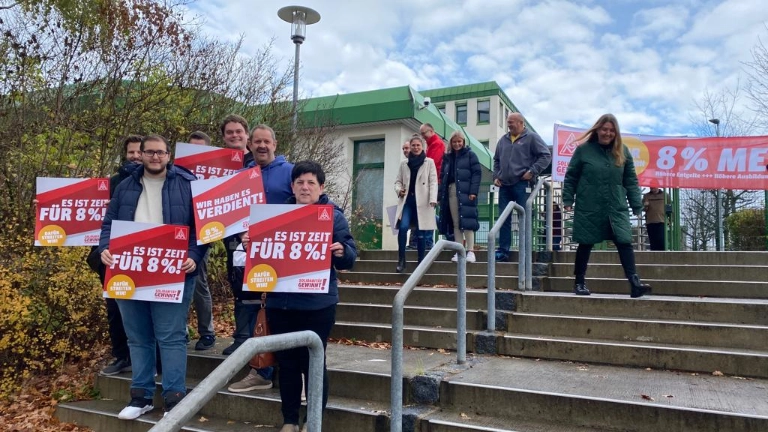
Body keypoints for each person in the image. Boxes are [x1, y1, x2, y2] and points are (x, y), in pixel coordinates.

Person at [99, 134, 207, 419]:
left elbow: (203, 228)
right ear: (141, 155)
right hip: (129, 269)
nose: (155, 157)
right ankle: (141, 397)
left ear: (168, 155)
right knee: (138, 337)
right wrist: (104, 250)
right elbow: (108, 224)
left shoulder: (187, 185)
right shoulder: (124, 186)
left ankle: (174, 399)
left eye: (160, 152)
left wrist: (194, 257)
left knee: (171, 337)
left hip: (173, 271)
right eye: (150, 152)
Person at [246, 160, 356, 432]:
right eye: (299, 182)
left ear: (321, 187)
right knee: (287, 364)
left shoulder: (333, 217)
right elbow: (260, 260)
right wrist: (251, 245)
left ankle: (313, 420)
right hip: (280, 304)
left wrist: (342, 251)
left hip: (317, 305)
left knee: (314, 363)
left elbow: (350, 258)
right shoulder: (272, 217)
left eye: (310, 183)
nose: (305, 187)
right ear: (292, 186)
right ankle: (290, 420)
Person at [226, 124, 294, 392]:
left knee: (285, 311)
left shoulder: (291, 172)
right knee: (257, 311)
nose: (262, 146)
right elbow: (230, 215)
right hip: (249, 254)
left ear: (275, 144)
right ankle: (261, 371)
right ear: (250, 145)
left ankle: (292, 372)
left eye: (267, 141)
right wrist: (239, 233)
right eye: (257, 142)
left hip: (285, 254)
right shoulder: (241, 176)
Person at [562, 114, 651, 298]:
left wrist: (636, 203)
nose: (607, 133)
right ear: (597, 129)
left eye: (611, 130)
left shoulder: (623, 151)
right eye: (604, 129)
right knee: (585, 243)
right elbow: (571, 177)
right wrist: (568, 200)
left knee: (624, 242)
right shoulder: (584, 151)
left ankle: (634, 283)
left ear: (616, 133)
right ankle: (579, 283)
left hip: (615, 205)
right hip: (589, 204)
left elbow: (631, 181)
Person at [97, 134, 142, 375]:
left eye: (139, 152)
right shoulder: (112, 183)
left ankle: (151, 358)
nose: (135, 156)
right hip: (115, 255)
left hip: (146, 254)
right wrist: (47, 207)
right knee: (115, 308)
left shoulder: (160, 181)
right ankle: (122, 356)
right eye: (131, 152)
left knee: (147, 310)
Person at [492, 112, 551, 262]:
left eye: (511, 122)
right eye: (508, 122)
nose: (509, 125)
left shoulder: (531, 137)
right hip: (504, 185)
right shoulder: (503, 140)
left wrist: (532, 171)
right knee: (503, 218)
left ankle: (525, 252)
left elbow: (545, 156)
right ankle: (503, 251)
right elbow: (496, 160)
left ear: (520, 123)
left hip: (522, 184)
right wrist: (496, 176)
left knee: (524, 218)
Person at [185, 131, 216, 350]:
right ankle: (182, 330)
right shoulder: (176, 173)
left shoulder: (214, 173)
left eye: (200, 149)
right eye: (191, 148)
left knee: (199, 285)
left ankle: (207, 333)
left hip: (202, 236)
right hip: (175, 234)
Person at [394, 135, 437, 273]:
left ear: (422, 146)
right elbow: (398, 181)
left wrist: (433, 198)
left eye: (418, 145)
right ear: (410, 147)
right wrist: (399, 190)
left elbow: (433, 182)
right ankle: (401, 261)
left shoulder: (429, 162)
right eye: (413, 145)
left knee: (421, 232)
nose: (416, 148)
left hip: (423, 202)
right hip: (407, 201)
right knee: (403, 228)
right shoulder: (404, 163)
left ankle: (421, 262)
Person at [439, 130, 481, 263]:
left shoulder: (470, 155)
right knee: (456, 223)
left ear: (463, 142)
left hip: (466, 191)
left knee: (467, 222)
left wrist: (473, 191)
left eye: (459, 141)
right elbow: (442, 177)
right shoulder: (447, 157)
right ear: (451, 142)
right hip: (451, 191)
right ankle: (459, 250)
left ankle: (471, 251)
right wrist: (441, 195)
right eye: (454, 141)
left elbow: (477, 173)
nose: (457, 144)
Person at [419, 123, 444, 250]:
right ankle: (430, 238)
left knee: (428, 211)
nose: (423, 136)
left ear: (431, 131)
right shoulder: (431, 145)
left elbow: (432, 165)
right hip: (432, 182)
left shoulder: (436, 145)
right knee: (428, 211)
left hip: (434, 182)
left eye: (424, 133)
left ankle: (429, 240)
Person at [643, 186, 668, 251]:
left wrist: (670, 220)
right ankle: (654, 257)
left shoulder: (665, 195)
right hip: (650, 221)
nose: (652, 189)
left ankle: (662, 257)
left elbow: (670, 207)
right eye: (651, 188)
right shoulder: (646, 196)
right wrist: (645, 206)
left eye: (654, 187)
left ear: (657, 186)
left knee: (661, 241)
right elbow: (643, 208)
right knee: (653, 242)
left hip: (661, 221)